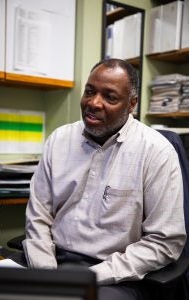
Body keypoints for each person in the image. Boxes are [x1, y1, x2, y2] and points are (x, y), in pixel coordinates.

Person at [22, 58, 186, 300]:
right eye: (89, 91)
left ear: (132, 104)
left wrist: (90, 277)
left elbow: (165, 242)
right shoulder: (59, 140)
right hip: (54, 261)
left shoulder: (156, 151)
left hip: (117, 275)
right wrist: (48, 275)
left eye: (110, 97)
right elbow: (38, 217)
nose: (93, 103)